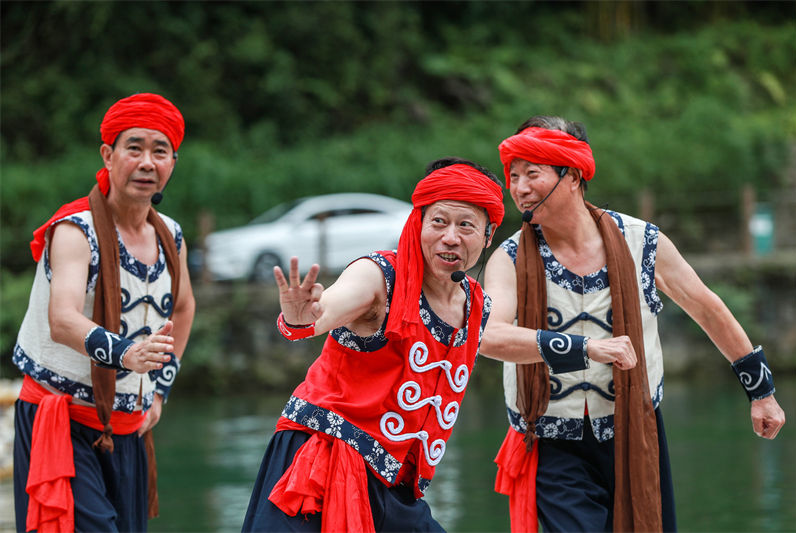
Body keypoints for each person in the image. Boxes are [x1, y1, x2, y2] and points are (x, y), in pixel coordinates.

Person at [479, 116, 786, 533]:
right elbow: (488, 336)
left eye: (532, 174)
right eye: (513, 176)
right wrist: (582, 348)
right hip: (552, 443)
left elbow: (706, 306)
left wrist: (761, 392)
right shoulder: (510, 257)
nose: (519, 188)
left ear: (572, 175)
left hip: (635, 430)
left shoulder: (641, 240)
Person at [241, 158, 504, 532]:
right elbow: (326, 310)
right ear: (419, 223)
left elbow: (504, 343)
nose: (450, 237)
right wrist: (302, 316)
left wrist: (582, 350)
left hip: (394, 487)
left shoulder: (477, 306)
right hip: (323, 463)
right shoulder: (380, 275)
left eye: (466, 226)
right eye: (439, 222)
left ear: (488, 235)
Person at [12, 92, 196, 532]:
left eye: (160, 151)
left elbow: (185, 306)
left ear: (173, 162)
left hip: (128, 427)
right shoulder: (76, 230)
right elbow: (63, 318)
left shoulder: (170, 234)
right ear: (108, 155)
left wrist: (159, 389)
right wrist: (127, 354)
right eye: (134, 147)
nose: (147, 162)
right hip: (62, 421)